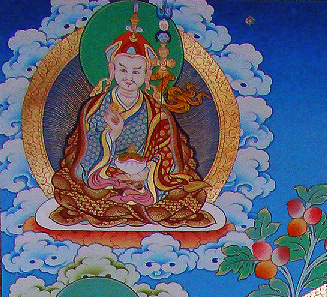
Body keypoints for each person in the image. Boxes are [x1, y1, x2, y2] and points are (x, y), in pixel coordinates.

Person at [51, 9, 212, 228]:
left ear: (147, 74)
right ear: (112, 69)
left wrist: (147, 172)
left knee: (182, 194)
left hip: (145, 178)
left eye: (136, 71)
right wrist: (111, 135)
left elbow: (167, 156)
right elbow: (85, 157)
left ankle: (133, 203)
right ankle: (123, 205)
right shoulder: (95, 108)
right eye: (123, 70)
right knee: (84, 189)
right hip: (106, 176)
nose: (129, 77)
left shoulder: (157, 113)